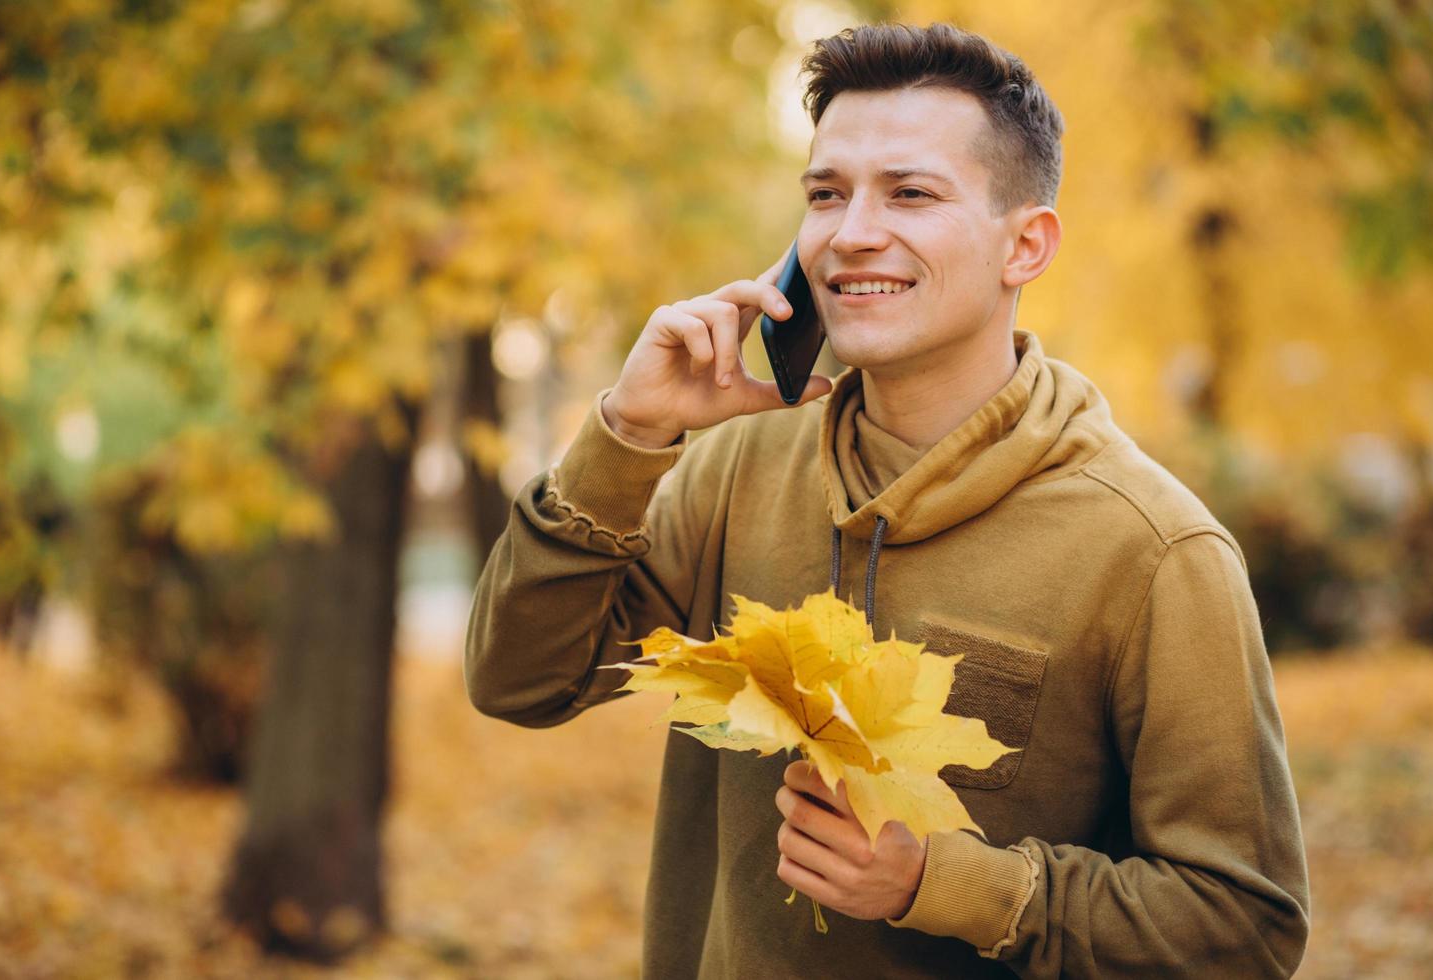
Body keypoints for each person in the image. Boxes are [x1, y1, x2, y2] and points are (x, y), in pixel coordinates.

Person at [466, 21, 1310, 978]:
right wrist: (629, 433)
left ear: (1025, 246)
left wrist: (944, 886)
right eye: (827, 194)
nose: (852, 230)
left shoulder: (1157, 551)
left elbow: (1246, 929)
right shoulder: (730, 466)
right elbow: (519, 684)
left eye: (911, 192)